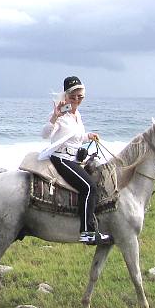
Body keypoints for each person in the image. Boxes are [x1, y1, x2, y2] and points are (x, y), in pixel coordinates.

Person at [38, 76, 112, 245]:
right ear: (66, 97)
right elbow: (45, 134)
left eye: (80, 97)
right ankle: (87, 233)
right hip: (61, 159)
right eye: (73, 97)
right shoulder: (61, 114)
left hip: (75, 158)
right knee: (89, 187)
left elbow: (74, 138)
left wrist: (88, 136)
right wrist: (54, 117)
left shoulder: (77, 114)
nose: (77, 101)